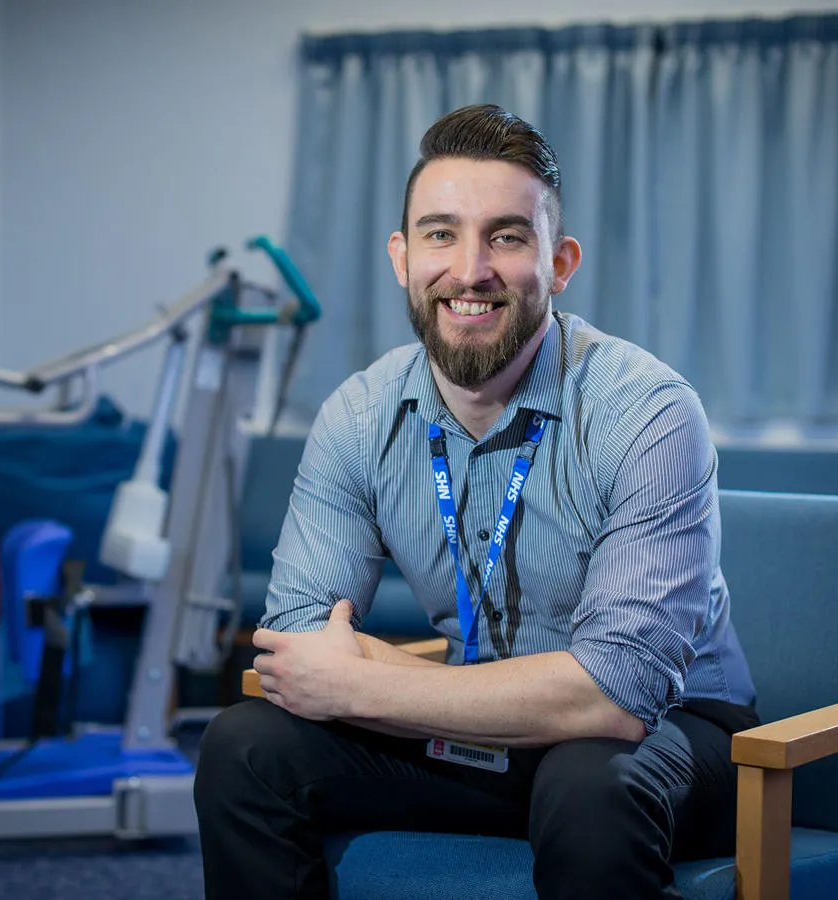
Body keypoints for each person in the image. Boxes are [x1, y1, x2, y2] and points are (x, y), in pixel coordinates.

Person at [193, 104, 759, 900]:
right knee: (244, 745)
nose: (468, 270)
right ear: (400, 257)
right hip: (473, 726)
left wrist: (366, 685)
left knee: (588, 783)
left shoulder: (646, 410)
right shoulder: (359, 416)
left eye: (505, 236)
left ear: (558, 262)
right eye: (439, 234)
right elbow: (297, 640)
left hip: (670, 734)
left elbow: (614, 695)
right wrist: (448, 698)